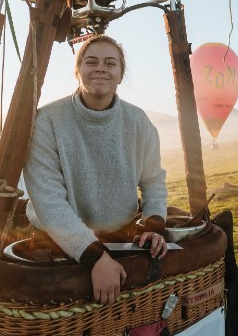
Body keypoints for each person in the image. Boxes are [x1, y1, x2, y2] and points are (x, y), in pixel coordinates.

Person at [23, 35, 168, 305]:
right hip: (55, 241)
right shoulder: (47, 121)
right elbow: (49, 201)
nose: (101, 68)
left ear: (121, 75)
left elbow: (153, 179)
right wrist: (94, 256)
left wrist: (153, 224)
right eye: (91, 62)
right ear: (77, 71)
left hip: (120, 237)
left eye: (110, 63)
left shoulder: (138, 121)